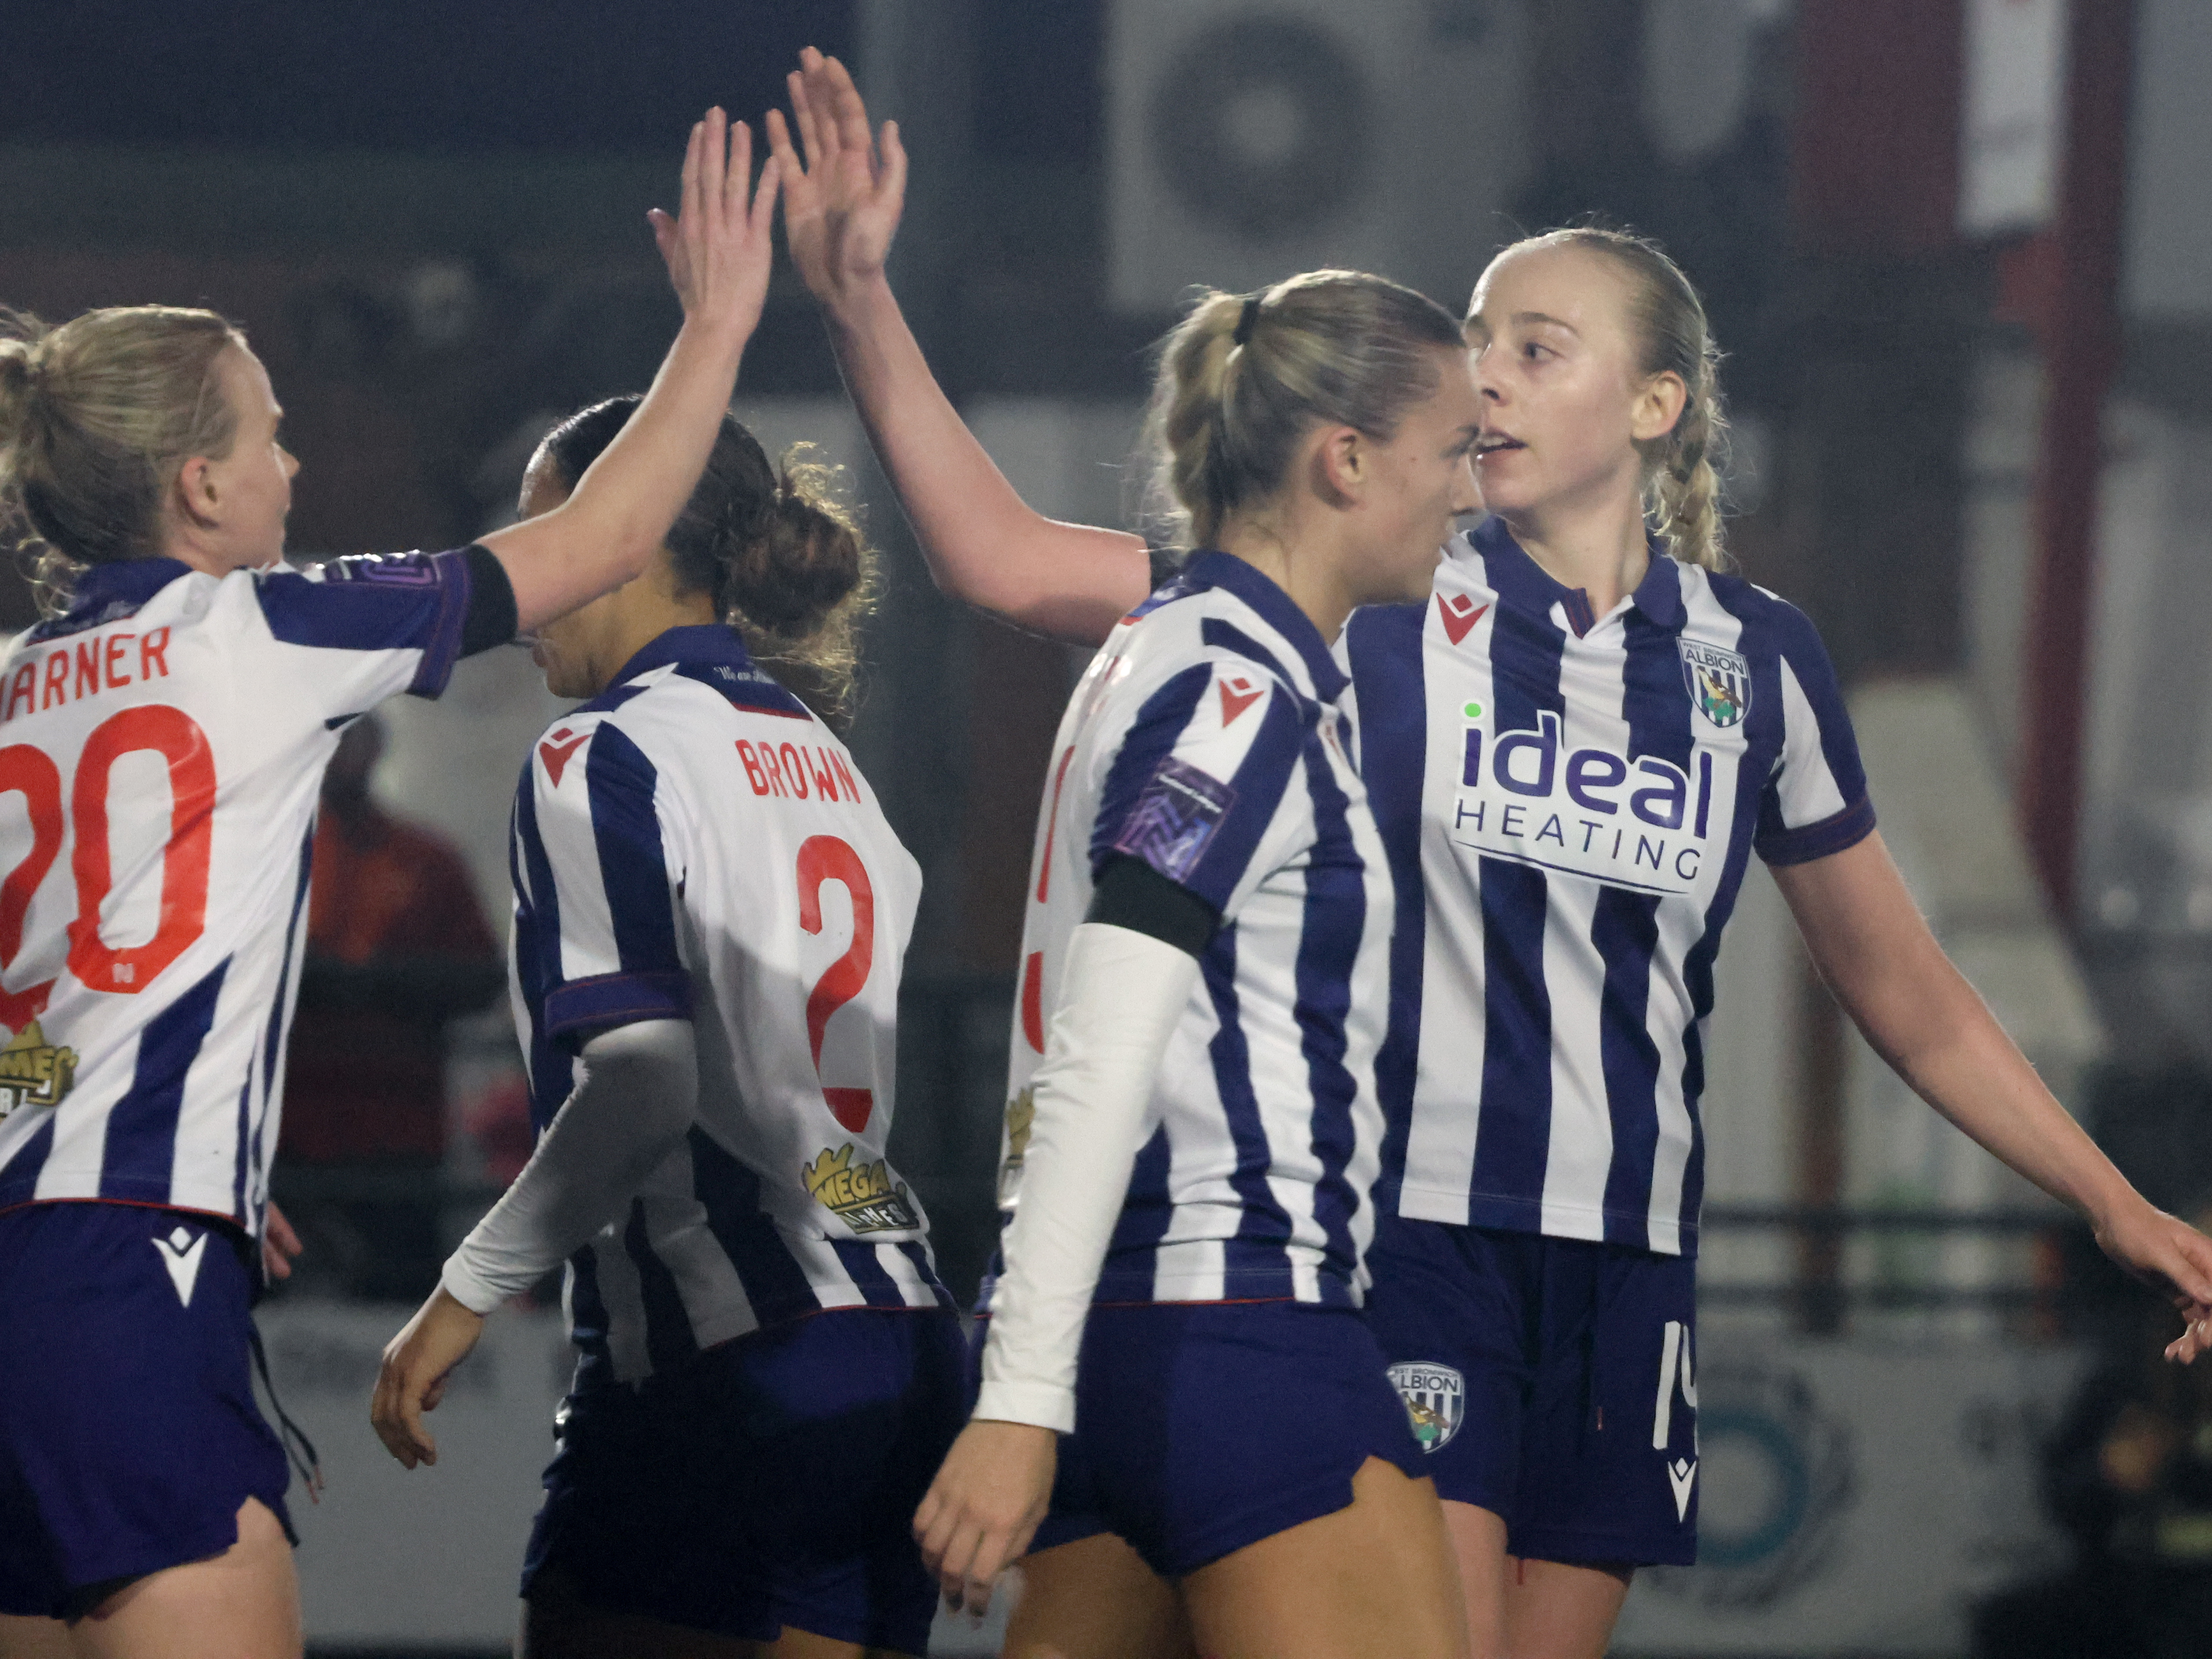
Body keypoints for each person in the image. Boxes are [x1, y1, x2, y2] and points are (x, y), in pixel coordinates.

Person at [770, 51, 2212, 1659]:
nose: (1491, 379)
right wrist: (859, 305)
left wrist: (2106, 1194)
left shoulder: (1757, 659)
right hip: (1406, 1239)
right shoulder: (1387, 588)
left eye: (1539, 344)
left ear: (1654, 407)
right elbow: (1000, 554)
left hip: (1627, 1259)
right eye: (1477, 347)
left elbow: (1909, 992)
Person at [0, 109, 782, 1659]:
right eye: (272, 429)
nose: (296, 458)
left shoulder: (18, 676)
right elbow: (604, 536)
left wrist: (187, 1137)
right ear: (200, 484)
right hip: (121, 1278)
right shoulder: (264, 628)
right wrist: (717, 325)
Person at [369, 394, 962, 1659]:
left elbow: (642, 1079)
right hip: (901, 1332)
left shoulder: (599, 755)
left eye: (550, 538)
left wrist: (466, 1289)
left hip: (729, 1365)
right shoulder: (827, 758)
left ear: (627, 538)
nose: (525, 589)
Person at [276, 713, 503, 1300]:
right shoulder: (268, 851)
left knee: (395, 1307)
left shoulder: (426, 858)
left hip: (397, 1135)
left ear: (378, 745)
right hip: (288, 1138)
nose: (345, 750)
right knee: (268, 1311)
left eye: (358, 733)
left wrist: (386, 988)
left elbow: (482, 975)